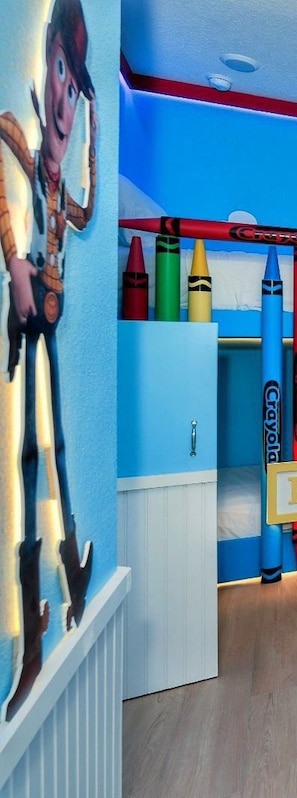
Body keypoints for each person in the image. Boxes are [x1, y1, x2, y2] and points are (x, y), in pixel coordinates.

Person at [1, 0, 95, 720]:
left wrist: (92, 140)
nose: (65, 100)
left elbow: (84, 212)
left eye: (74, 88)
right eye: (60, 73)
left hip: (50, 310)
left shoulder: (61, 186)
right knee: (34, 451)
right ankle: (35, 620)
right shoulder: (29, 157)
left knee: (53, 443)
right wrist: (16, 262)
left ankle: (68, 577)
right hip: (31, 309)